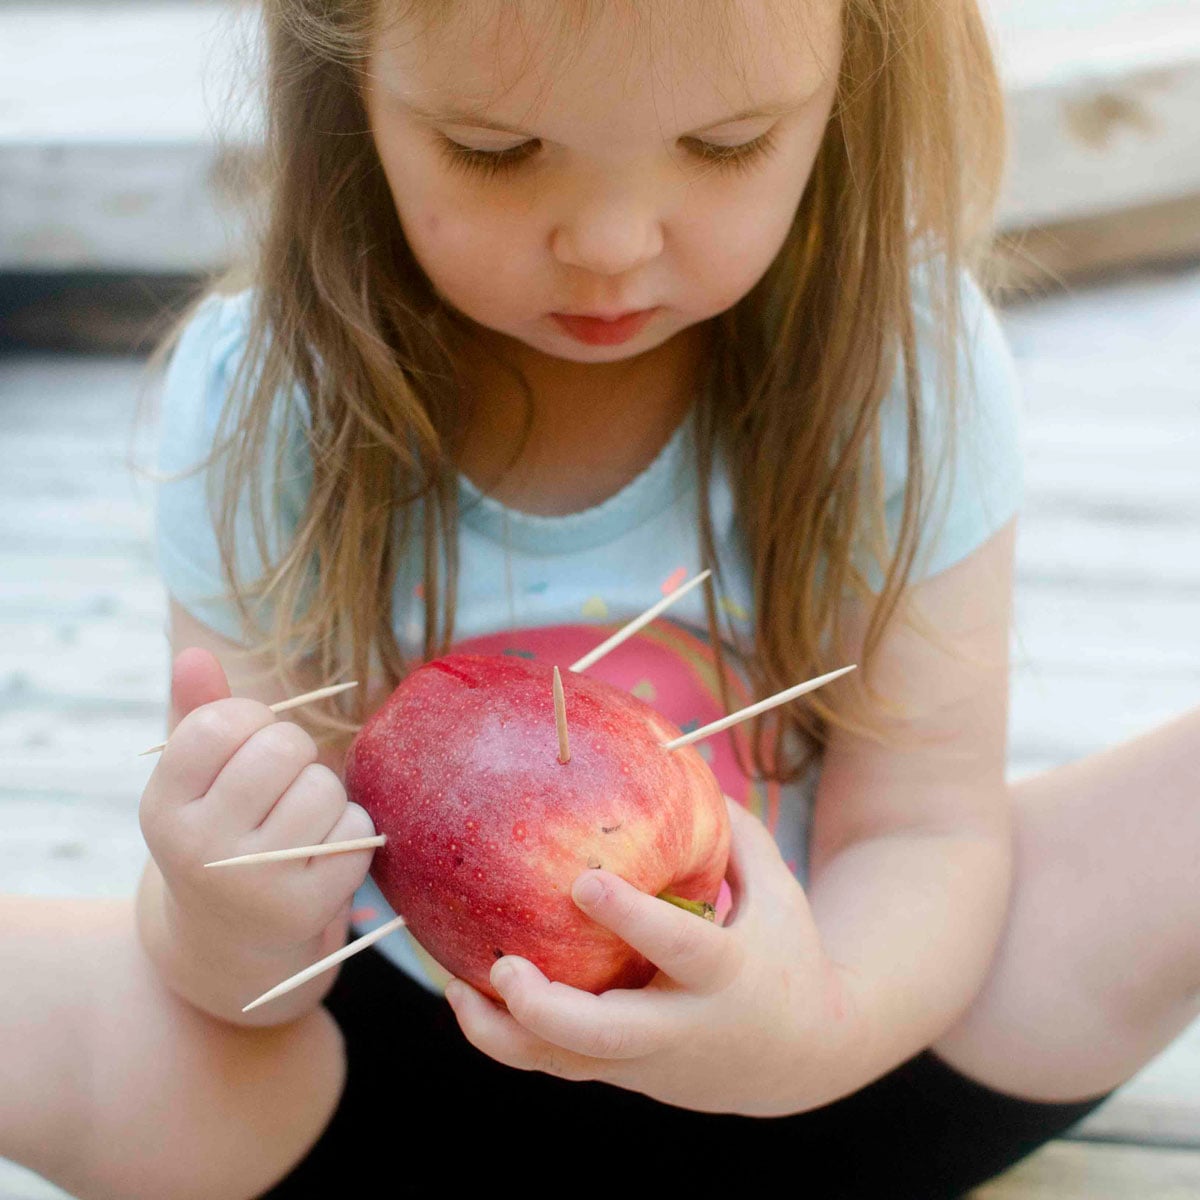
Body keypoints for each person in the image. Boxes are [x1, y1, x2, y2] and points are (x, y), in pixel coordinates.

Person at [3, 1, 1198, 1197]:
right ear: (351, 91)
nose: (614, 243)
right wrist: (222, 915)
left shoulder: (907, 364)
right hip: (367, 1090)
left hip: (844, 1036)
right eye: (495, 150)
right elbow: (245, 975)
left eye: (728, 145)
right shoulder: (266, 394)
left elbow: (924, 830)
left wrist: (810, 1030)